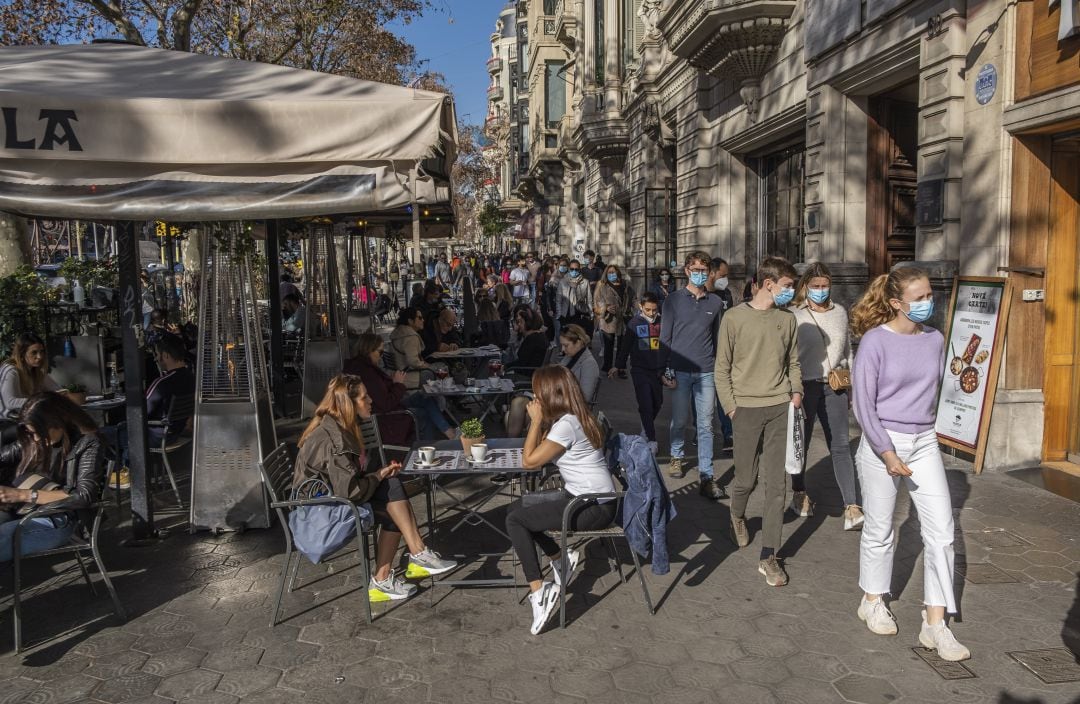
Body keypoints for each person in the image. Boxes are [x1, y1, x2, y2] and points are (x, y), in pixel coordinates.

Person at [849, 267, 968, 660]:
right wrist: (886, 451)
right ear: (896, 303)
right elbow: (863, 405)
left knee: (943, 533)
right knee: (881, 527)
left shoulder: (935, 339)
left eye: (929, 295)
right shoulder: (874, 342)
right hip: (884, 442)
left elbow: (940, 390)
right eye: (918, 298)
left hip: (924, 440)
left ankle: (935, 624)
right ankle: (872, 599)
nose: (927, 303)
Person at [294, 375, 457, 601]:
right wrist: (377, 475)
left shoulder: (338, 427)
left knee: (392, 489)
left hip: (331, 502)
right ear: (347, 404)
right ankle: (406, 562)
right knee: (393, 501)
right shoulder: (336, 441)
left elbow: (349, 484)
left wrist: (379, 474)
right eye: (364, 397)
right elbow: (350, 493)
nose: (370, 400)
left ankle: (403, 564)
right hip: (321, 518)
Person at [508, 365, 617, 634]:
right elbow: (539, 451)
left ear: (549, 394)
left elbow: (529, 461)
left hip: (593, 506)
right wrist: (543, 421)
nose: (533, 399)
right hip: (588, 496)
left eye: (536, 393)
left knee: (515, 520)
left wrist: (534, 421)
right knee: (517, 507)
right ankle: (560, 558)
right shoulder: (573, 416)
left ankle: (539, 590)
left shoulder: (568, 425)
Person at [716, 256, 802, 588]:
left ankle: (769, 556)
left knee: (776, 485)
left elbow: (793, 361)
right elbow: (721, 368)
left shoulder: (788, 319)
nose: (791, 292)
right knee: (745, 480)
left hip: (781, 406)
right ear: (769, 284)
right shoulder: (733, 319)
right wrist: (732, 407)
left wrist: (796, 391)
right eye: (787, 286)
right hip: (746, 410)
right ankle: (737, 514)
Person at [790, 262, 862, 528]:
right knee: (802, 444)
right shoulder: (795, 315)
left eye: (825, 286)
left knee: (841, 445)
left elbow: (847, 352)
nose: (821, 290)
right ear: (806, 286)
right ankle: (799, 493)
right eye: (815, 286)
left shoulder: (841, 313)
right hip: (804, 387)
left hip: (834, 387)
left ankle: (851, 506)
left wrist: (851, 386)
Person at [0, 393, 106, 562]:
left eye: (39, 433)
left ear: (58, 421)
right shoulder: (32, 440)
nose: (35, 439)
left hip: (62, 518)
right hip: (23, 511)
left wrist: (21, 494)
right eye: (30, 433)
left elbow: (83, 496)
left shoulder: (87, 442)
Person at [659, 251, 724, 499]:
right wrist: (665, 369)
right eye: (695, 270)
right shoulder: (673, 300)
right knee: (679, 419)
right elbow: (665, 338)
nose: (700, 274)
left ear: (709, 273)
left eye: (704, 271)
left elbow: (718, 339)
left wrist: (721, 369)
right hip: (679, 369)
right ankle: (676, 455)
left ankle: (707, 472)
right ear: (686, 271)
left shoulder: (716, 303)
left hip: (706, 371)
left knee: (706, 424)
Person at [344, 334, 455, 443]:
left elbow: (380, 395)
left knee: (424, 397)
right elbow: (386, 404)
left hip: (387, 408)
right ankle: (428, 448)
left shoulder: (361, 367)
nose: (381, 357)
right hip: (386, 418)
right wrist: (398, 384)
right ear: (369, 350)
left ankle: (448, 433)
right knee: (424, 414)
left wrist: (392, 383)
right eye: (380, 352)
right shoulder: (367, 373)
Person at [610, 292, 664, 454]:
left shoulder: (663, 322)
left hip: (658, 370)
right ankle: (651, 438)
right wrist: (618, 365)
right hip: (639, 370)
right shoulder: (634, 323)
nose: (652, 313)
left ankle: (645, 424)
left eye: (654, 310)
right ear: (641, 307)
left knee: (657, 402)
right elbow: (625, 346)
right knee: (645, 403)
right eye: (648, 310)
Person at [0, 333, 59, 430]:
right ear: (22, 355)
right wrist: (40, 400)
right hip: (5, 422)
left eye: (42, 352)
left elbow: (56, 390)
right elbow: (10, 402)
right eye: (34, 352)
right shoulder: (11, 370)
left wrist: (67, 394)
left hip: (25, 418)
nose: (39, 356)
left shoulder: (36, 371)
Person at [593, 264, 635, 375]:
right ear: (606, 274)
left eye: (614, 272)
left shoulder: (625, 284)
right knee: (608, 345)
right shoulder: (602, 285)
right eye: (609, 272)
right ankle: (607, 366)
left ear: (618, 273)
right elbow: (597, 302)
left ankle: (620, 368)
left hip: (623, 318)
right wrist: (605, 308)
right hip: (608, 319)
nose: (612, 274)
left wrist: (638, 306)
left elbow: (633, 298)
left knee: (622, 346)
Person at [388, 307, 434, 389]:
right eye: (420, 318)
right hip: (407, 376)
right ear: (410, 321)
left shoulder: (399, 333)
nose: (423, 320)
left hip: (396, 373)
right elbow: (413, 361)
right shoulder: (410, 337)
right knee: (436, 372)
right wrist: (428, 366)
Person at [556, 324, 600, 404]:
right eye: (562, 345)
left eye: (566, 345)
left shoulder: (589, 364)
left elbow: (585, 397)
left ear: (578, 343)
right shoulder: (571, 355)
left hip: (569, 409)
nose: (562, 349)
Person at [555, 259, 594, 337]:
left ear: (579, 270)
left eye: (576, 269)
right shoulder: (563, 281)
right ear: (569, 269)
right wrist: (559, 314)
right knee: (565, 335)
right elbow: (558, 299)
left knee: (576, 336)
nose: (574, 271)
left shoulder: (585, 282)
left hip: (579, 313)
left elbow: (589, 299)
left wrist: (591, 313)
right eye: (572, 269)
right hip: (565, 313)